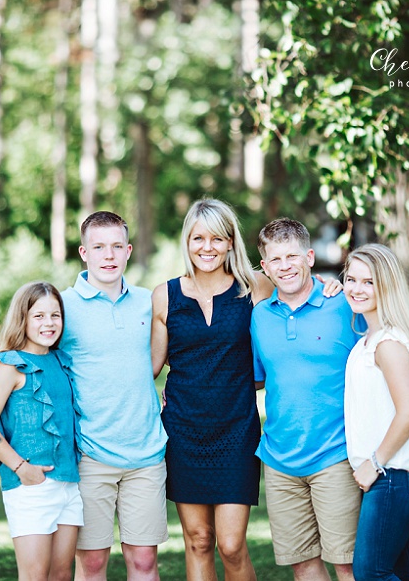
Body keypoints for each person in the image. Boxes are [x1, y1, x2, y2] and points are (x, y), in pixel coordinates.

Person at [150, 198, 266, 580]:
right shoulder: (165, 295)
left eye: (217, 238)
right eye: (198, 238)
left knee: (231, 545)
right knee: (198, 539)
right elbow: (150, 366)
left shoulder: (255, 288)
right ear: (186, 242)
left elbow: (298, 298)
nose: (207, 247)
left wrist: (329, 288)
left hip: (236, 430)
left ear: (231, 242)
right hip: (183, 432)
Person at [250, 218, 365, 581]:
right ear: (265, 267)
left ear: (310, 257)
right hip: (280, 459)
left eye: (292, 256)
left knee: (346, 563)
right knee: (303, 563)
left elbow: (390, 352)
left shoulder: (345, 304)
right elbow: (254, 380)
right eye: (275, 260)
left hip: (337, 454)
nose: (285, 266)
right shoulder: (259, 317)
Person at [59, 211, 169, 581]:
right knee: (91, 565)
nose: (109, 255)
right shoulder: (62, 307)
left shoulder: (149, 301)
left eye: (117, 246)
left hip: (146, 453)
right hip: (90, 455)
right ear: (83, 252)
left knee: (143, 563)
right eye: (99, 247)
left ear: (128, 251)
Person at [0, 281, 82, 581]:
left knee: (61, 574)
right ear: (23, 319)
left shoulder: (60, 361)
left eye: (55, 315)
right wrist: (21, 467)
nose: (49, 323)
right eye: (39, 316)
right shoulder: (12, 364)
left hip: (69, 484)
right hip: (31, 487)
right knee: (34, 575)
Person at [342, 244, 409, 581]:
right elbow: (404, 401)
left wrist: (374, 464)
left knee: (370, 573)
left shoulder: (388, 343)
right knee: (405, 574)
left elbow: (408, 412)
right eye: (351, 279)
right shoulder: (374, 337)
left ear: (387, 285)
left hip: (393, 474)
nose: (357, 288)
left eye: (369, 282)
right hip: (398, 474)